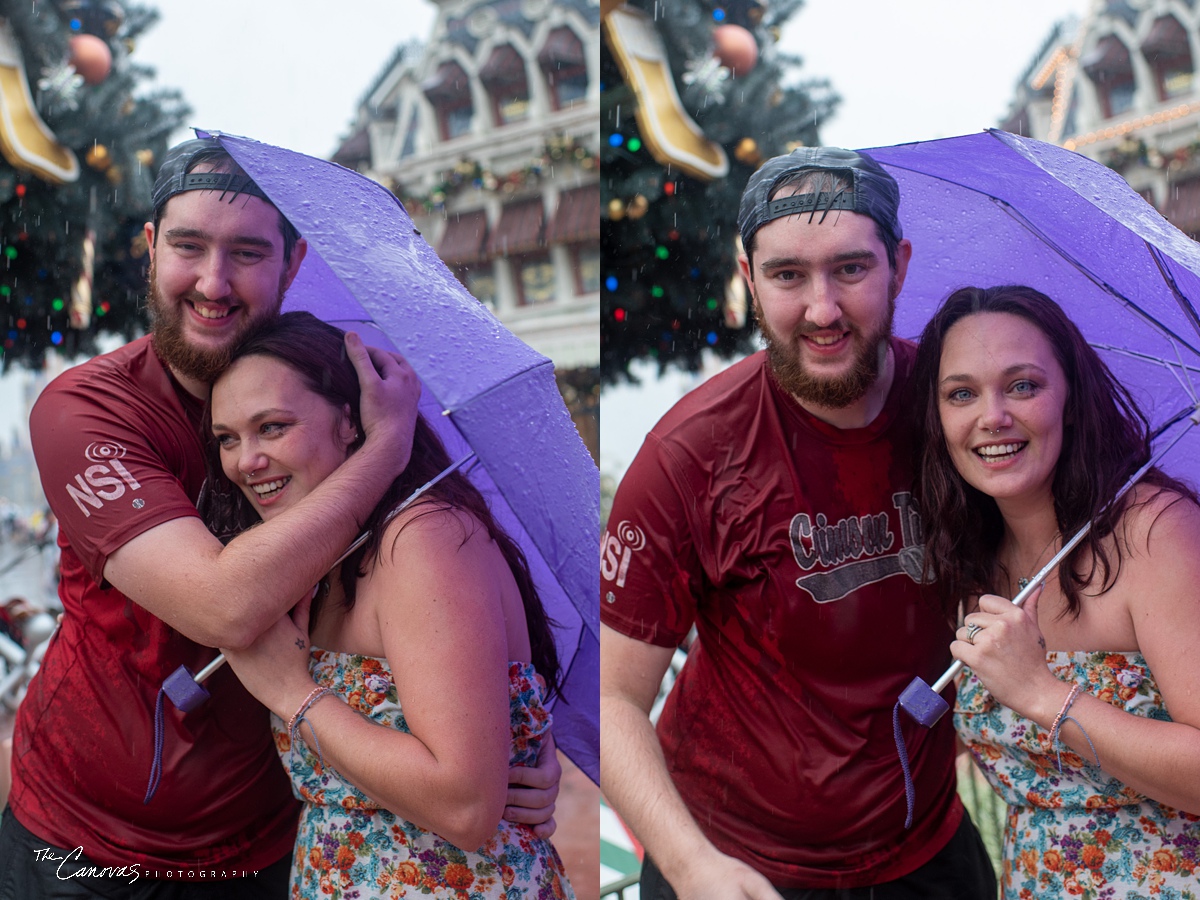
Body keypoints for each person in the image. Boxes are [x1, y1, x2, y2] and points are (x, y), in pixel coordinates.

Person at [1, 137, 558, 899]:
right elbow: (224, 605)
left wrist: (510, 740)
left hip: (275, 834)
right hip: (88, 836)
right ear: (151, 248)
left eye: (249, 253)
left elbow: (430, 684)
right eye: (189, 246)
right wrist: (386, 448)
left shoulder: (338, 441)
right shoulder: (89, 408)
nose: (212, 281)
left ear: (292, 266)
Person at [600, 147, 997, 899]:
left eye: (850, 269)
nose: (822, 309)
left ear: (899, 267)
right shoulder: (691, 456)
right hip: (731, 862)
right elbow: (614, 696)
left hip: (927, 851)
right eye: (788, 275)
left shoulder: (960, 413)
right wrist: (690, 867)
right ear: (748, 277)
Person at [203, 310, 576, 900]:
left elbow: (465, 805)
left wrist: (291, 694)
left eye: (271, 427)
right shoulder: (319, 562)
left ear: (350, 422)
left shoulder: (422, 539)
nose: (245, 461)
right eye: (227, 438)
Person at [910, 284, 1200, 899]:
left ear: (1070, 398)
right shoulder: (972, 561)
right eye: (962, 394)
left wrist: (1041, 693)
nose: (993, 416)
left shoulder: (1154, 532)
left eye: (1023, 386)